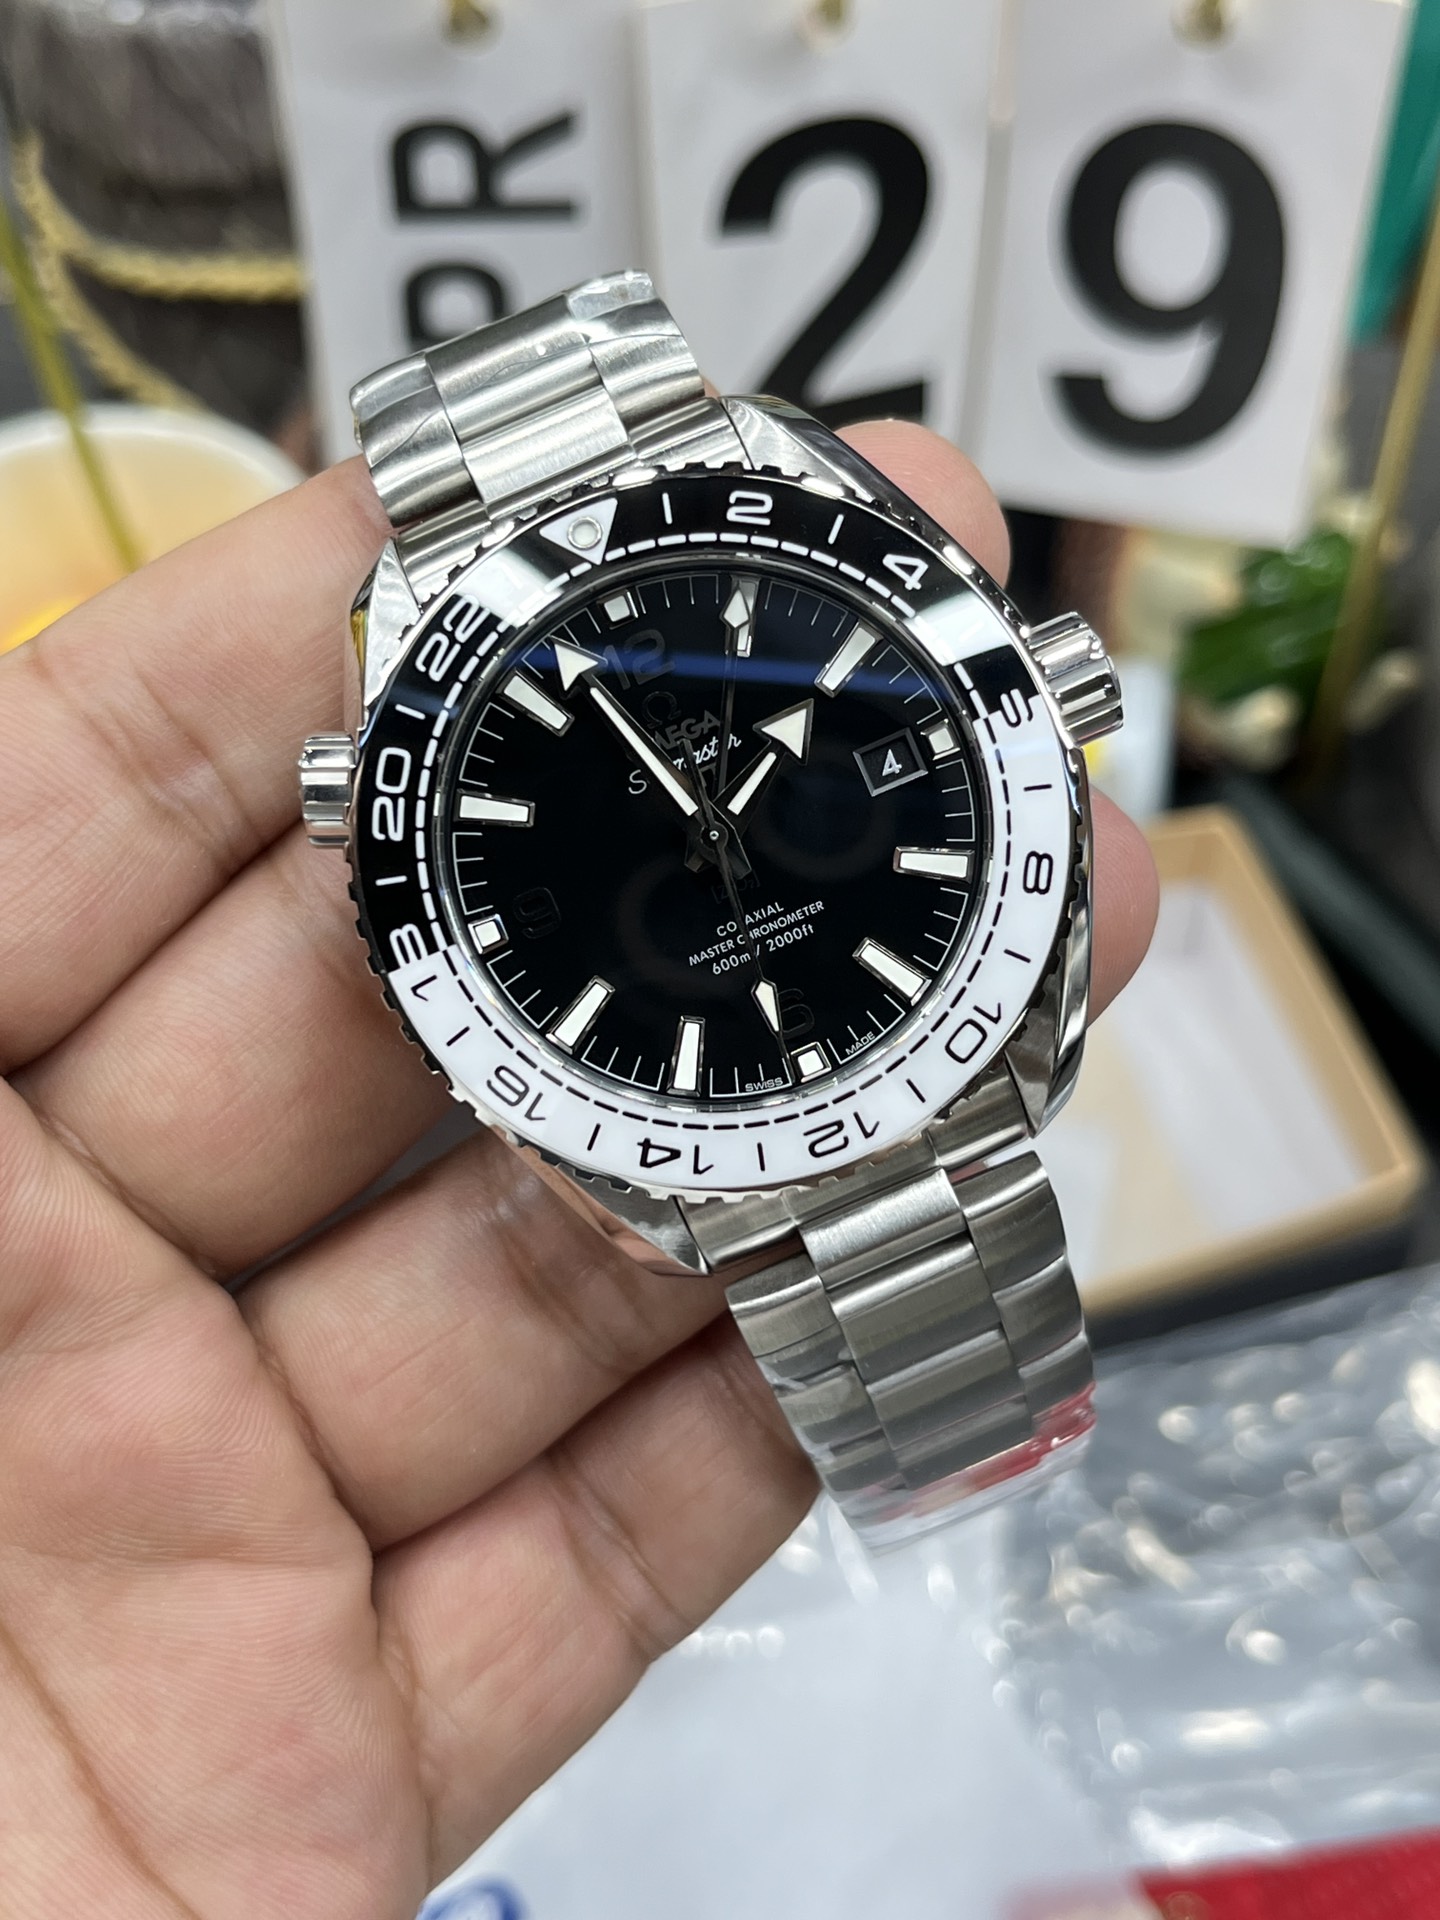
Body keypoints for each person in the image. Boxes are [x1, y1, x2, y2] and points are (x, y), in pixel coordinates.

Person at [0, 421, 1158, 1918]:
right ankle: (972, 1471)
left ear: (1049, 682)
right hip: (717, 1070)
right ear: (364, 820)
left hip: (874, 1024)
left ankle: (982, 1469)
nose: (715, 828)